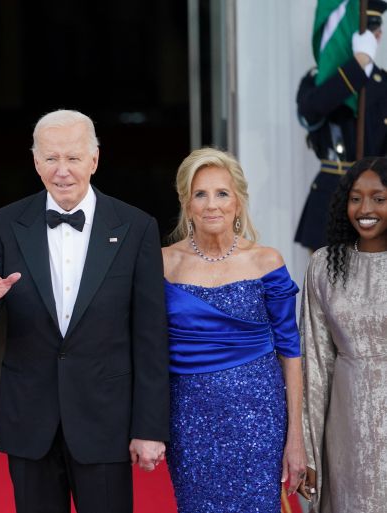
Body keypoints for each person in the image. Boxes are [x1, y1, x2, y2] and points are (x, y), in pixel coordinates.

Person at [0, 109, 169, 512]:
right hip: (30, 423)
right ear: (36, 162)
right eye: (51, 158)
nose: (62, 170)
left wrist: (150, 427)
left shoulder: (136, 227)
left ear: (94, 160)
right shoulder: (5, 224)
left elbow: (151, 335)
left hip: (106, 422)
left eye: (73, 158)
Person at [162, 148, 306, 513]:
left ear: (238, 202)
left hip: (259, 420)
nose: (212, 205)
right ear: (186, 202)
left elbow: (290, 353)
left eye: (222, 193)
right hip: (189, 420)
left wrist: (296, 438)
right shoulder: (162, 263)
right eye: (201, 194)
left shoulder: (266, 262)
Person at [301, 157, 387, 513]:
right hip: (346, 420)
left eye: (379, 198)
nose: (365, 209)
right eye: (355, 198)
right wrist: (308, 449)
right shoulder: (324, 264)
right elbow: (315, 364)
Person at [295, 0, 387, 250]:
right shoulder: (316, 82)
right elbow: (312, 110)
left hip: (378, 203)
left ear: (376, 35)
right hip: (330, 199)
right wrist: (358, 66)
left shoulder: (384, 86)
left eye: (369, 32)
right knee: (325, 287)